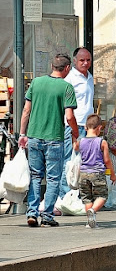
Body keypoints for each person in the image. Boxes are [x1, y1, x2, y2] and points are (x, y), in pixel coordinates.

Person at [18, 53, 78, 227]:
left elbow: (26, 111)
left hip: (34, 137)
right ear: (67, 68)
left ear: (52, 66)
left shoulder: (36, 83)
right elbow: (69, 116)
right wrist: (75, 132)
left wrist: (23, 134)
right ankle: (47, 216)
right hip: (55, 138)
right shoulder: (66, 88)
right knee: (53, 178)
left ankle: (32, 212)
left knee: (36, 176)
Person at [60, 47, 94, 202]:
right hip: (74, 125)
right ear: (74, 61)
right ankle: (64, 197)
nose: (85, 63)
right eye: (82, 60)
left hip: (87, 126)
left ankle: (78, 196)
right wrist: (72, 128)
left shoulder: (89, 77)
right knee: (70, 162)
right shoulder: (70, 79)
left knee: (82, 163)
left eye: (88, 60)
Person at [75, 114, 116, 229]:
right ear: (99, 128)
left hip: (83, 173)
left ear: (85, 127)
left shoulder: (81, 141)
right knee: (102, 196)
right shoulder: (102, 142)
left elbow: (75, 148)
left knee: (87, 197)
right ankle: (93, 211)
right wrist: (112, 174)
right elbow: (107, 160)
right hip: (97, 173)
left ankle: (90, 221)